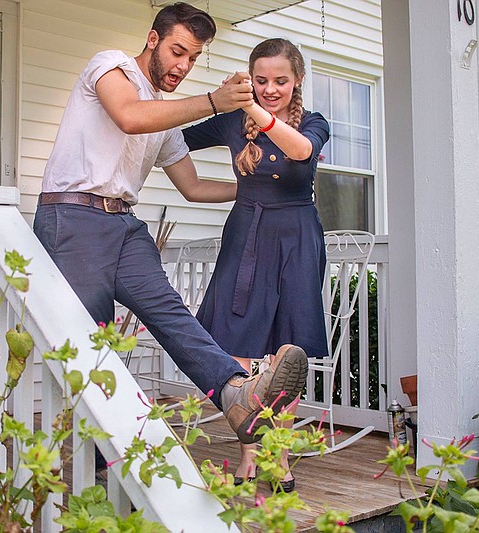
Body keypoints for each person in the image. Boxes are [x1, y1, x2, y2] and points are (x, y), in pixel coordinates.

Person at [32, 4, 310, 450]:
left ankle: (234, 394)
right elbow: (129, 116)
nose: (183, 66)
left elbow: (194, 186)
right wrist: (214, 103)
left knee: (173, 315)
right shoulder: (111, 66)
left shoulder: (162, 118)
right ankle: (105, 474)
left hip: (123, 224)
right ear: (153, 39)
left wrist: (260, 187)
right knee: (93, 347)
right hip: (74, 219)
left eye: (194, 58)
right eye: (178, 51)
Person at [182, 38, 330, 493]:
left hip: (296, 240)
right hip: (246, 234)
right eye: (260, 81)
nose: (270, 89)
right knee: (237, 340)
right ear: (250, 78)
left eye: (280, 81)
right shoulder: (232, 121)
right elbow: (173, 137)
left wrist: (254, 111)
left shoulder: (315, 123)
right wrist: (215, 101)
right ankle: (249, 449)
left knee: (290, 349)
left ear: (298, 80)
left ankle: (279, 452)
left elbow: (301, 151)